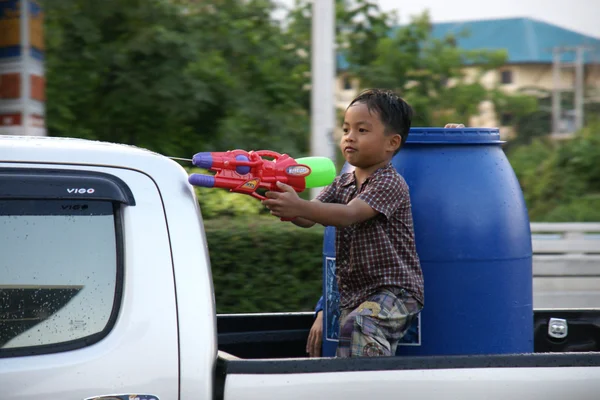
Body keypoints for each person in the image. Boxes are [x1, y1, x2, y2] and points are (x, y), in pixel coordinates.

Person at [262, 88, 429, 358]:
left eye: (362, 131)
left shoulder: (389, 182)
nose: (350, 137)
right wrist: (284, 203)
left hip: (396, 292)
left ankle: (369, 387)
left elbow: (350, 214)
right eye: (346, 129)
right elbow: (310, 216)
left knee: (361, 325)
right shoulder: (344, 182)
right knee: (352, 338)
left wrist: (299, 205)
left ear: (392, 143)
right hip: (357, 295)